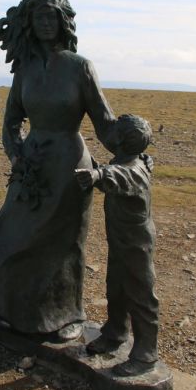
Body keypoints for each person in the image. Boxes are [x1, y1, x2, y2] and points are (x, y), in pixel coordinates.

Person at [0, 0, 115, 341]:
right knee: (9, 235)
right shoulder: (25, 69)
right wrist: (16, 156)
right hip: (31, 166)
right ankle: (14, 310)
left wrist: (131, 144)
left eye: (51, 16)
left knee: (63, 243)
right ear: (29, 23)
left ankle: (67, 315)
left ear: (63, 21)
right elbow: (11, 121)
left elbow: (105, 123)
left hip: (70, 166)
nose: (46, 23)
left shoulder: (80, 66)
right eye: (39, 17)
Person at [75, 114, 159, 376]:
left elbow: (118, 176)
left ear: (121, 140)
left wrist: (96, 174)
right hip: (121, 241)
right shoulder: (136, 160)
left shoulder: (133, 171)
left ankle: (146, 355)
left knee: (141, 295)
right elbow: (118, 170)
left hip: (137, 245)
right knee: (117, 287)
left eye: (114, 131)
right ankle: (115, 332)